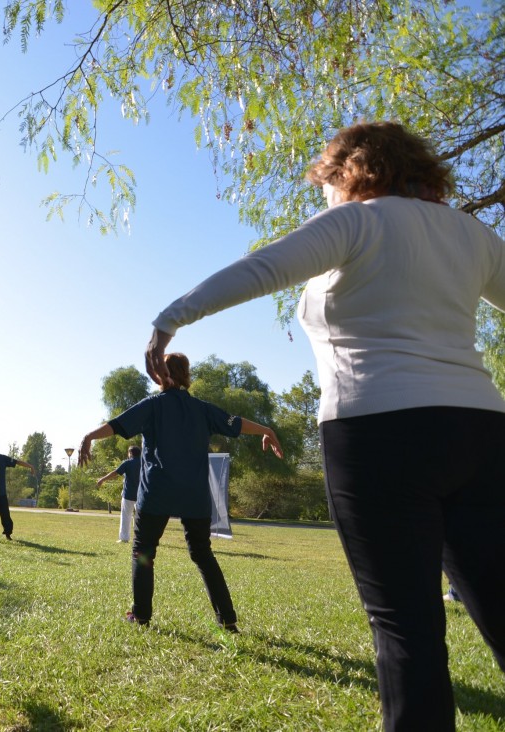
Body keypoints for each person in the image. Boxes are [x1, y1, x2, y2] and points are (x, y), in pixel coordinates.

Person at [144, 122, 505, 730]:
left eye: (328, 183)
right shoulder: (471, 233)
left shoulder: (356, 222)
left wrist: (169, 318)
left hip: (380, 435)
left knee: (408, 633)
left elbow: (261, 268)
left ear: (350, 173)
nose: (325, 197)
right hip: (482, 433)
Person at [79, 353, 283, 630]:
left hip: (157, 493)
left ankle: (141, 616)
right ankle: (228, 621)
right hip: (195, 495)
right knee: (202, 554)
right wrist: (266, 429)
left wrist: (88, 437)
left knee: (143, 551)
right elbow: (235, 422)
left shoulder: (152, 405)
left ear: (161, 375)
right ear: (186, 374)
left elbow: (116, 425)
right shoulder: (202, 409)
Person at [95, 444, 143, 542]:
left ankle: (124, 538)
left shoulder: (127, 463)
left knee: (126, 516)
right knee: (140, 518)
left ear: (130, 453)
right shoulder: (145, 463)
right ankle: (140, 539)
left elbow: (115, 473)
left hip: (128, 494)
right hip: (141, 495)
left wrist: (102, 479)